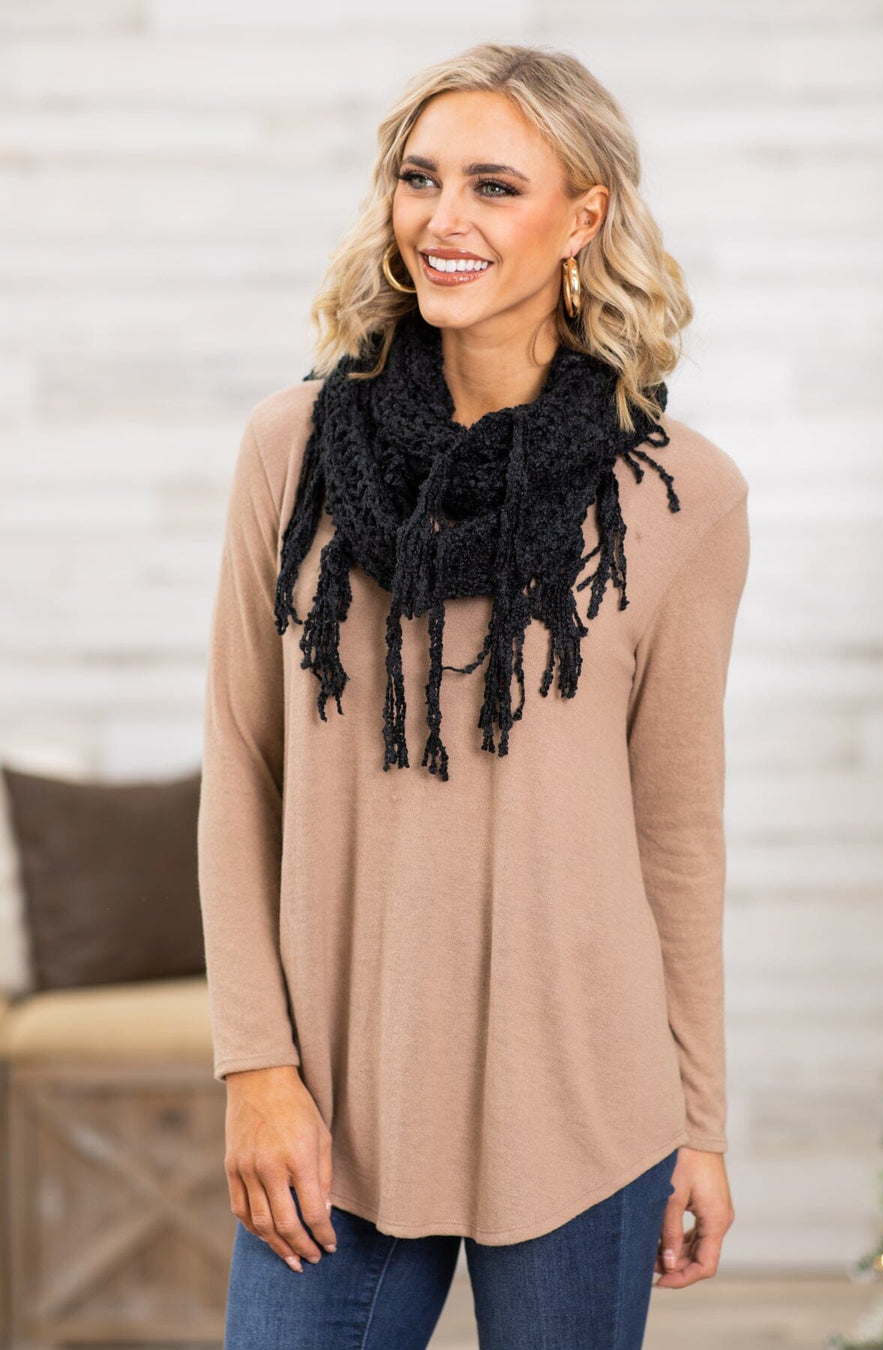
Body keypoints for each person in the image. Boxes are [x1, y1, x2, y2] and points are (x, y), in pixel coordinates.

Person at [197, 40, 749, 1350]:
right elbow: (242, 769)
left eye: (495, 186)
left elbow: (675, 836)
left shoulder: (681, 495)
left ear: (585, 217)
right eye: (420, 178)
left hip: (584, 1107)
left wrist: (700, 1124)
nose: (444, 219)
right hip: (335, 1101)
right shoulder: (291, 450)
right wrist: (255, 1065)